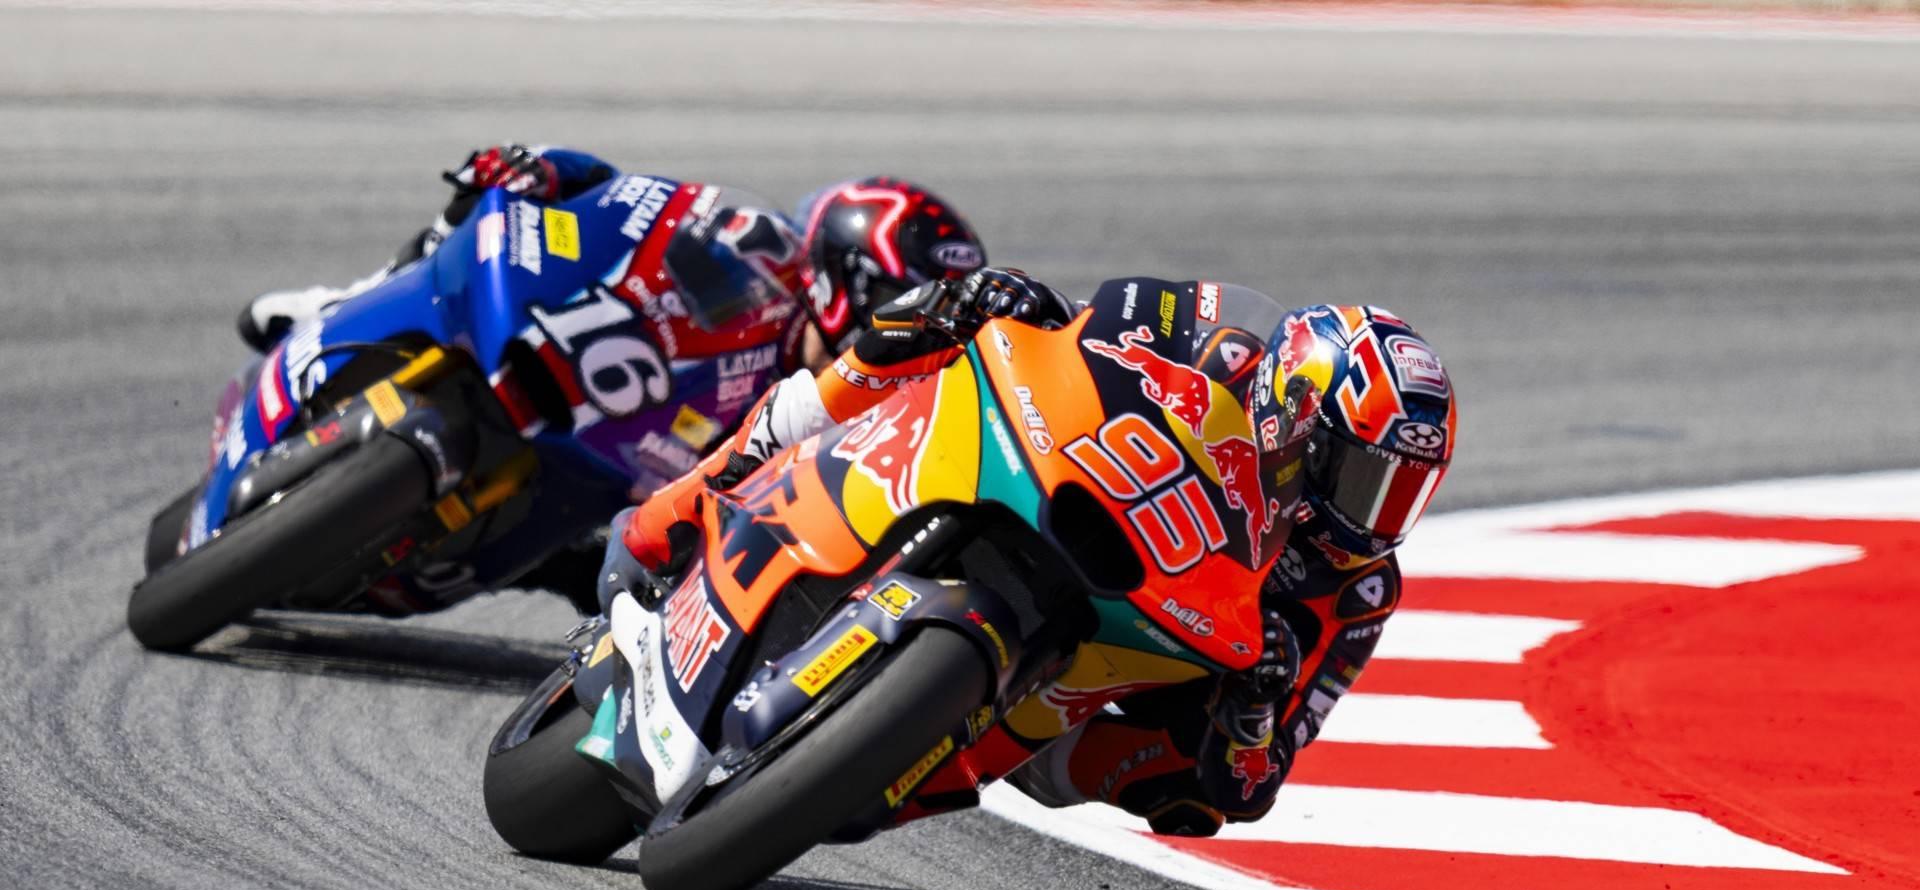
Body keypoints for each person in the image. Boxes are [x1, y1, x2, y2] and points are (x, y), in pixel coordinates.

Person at [601, 270, 1458, 835]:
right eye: (1364, 477)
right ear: (1297, 413)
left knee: (1189, 794)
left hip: (1125, 649)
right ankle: (705, 488)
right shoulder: (1218, 348)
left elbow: (1253, 785)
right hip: (1068, 487)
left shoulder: (1357, 595)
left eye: (1403, 493)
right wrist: (1025, 304)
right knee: (935, 320)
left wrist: (1256, 707)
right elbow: (1090, 326)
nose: (1374, 515)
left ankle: (945, 739)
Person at [239, 143, 987, 381]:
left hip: (613, 498)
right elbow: (628, 204)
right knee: (495, 194)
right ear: (848, 274)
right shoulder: (750, 256)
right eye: (900, 308)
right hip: (580, 348)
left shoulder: (837, 418)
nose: (904, 338)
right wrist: (548, 172)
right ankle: (341, 303)